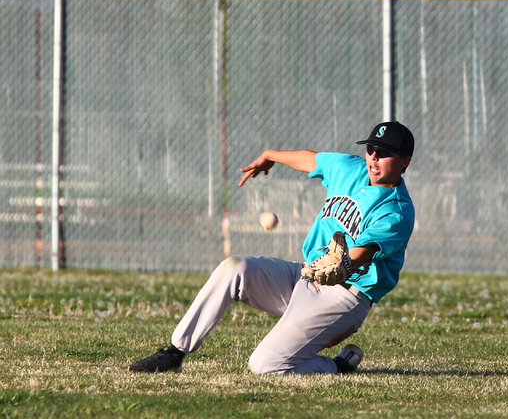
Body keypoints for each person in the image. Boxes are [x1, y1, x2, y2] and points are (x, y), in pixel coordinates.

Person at [126, 121, 415, 374]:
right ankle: (174, 354)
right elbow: (311, 160)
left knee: (265, 365)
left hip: (343, 299)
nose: (374, 157)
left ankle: (337, 366)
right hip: (305, 275)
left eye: (384, 152)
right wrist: (269, 155)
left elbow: (362, 253)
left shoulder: (397, 212)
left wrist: (342, 264)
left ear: (405, 160)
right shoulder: (350, 169)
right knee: (234, 268)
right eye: (371, 149)